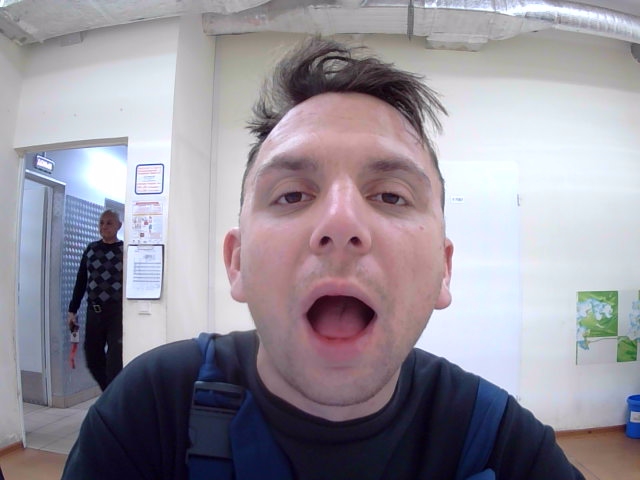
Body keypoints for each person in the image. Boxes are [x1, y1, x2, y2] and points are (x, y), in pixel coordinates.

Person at [62, 37, 585, 479]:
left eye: (391, 196)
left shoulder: (501, 443)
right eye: (291, 194)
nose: (340, 222)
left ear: (444, 270)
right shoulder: (150, 409)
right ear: (237, 262)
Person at [67, 209, 124, 391]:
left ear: (119, 226)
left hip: (116, 313)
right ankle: (109, 393)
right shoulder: (91, 249)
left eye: (109, 223)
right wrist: (72, 310)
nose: (104, 226)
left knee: (115, 362)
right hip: (94, 312)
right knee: (92, 358)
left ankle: (113, 397)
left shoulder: (124, 250)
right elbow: (81, 280)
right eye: (101, 222)